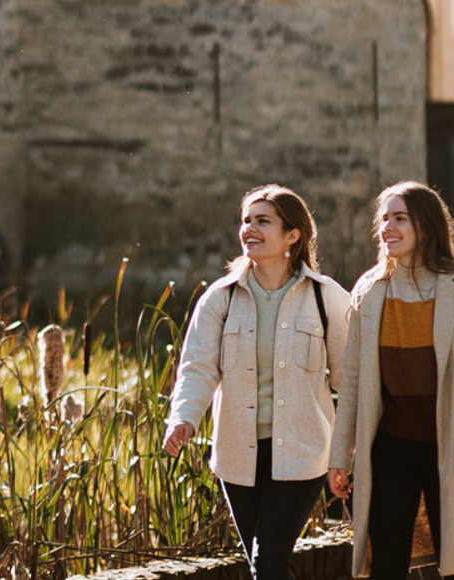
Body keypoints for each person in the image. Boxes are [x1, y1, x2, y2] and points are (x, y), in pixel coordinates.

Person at [326, 182, 454, 580]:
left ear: (426, 227)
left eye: (400, 218)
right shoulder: (370, 289)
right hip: (391, 446)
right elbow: (354, 379)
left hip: (451, 444)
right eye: (384, 219)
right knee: (387, 560)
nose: (387, 228)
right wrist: (341, 456)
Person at [163, 184, 353, 579]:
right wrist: (183, 418)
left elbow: (351, 380)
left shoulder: (326, 297)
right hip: (238, 456)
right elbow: (197, 368)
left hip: (303, 454)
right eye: (245, 220)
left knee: (268, 563)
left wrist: (344, 455)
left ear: (292, 235)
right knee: (264, 564)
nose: (249, 228)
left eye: (263, 221)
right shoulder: (221, 298)